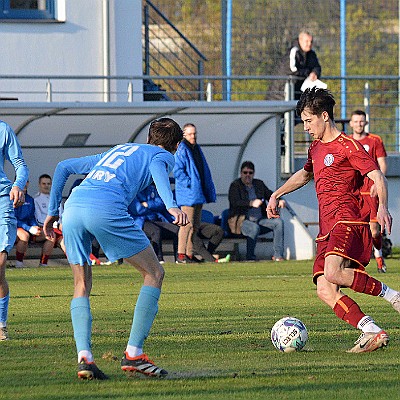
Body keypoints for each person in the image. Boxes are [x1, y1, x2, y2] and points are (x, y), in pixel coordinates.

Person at [43, 117, 188, 380]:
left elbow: (63, 167)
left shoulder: (118, 149)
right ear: (177, 145)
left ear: (148, 137)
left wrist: (53, 212)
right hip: (105, 209)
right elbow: (157, 169)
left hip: (73, 209)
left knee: (81, 285)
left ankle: (84, 358)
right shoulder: (163, 155)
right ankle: (134, 354)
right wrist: (171, 205)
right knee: (154, 273)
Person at [267, 87, 399, 353]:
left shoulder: (348, 146)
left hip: (348, 220)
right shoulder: (316, 148)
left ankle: (393, 296)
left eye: (308, 120)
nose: (305, 128)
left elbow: (377, 176)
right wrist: (277, 193)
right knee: (325, 289)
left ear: (324, 116)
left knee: (332, 272)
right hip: (327, 228)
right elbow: (305, 175)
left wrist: (382, 207)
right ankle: (371, 331)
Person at [174, 123, 228, 264]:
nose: (193, 136)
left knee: (195, 226)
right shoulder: (181, 149)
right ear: (184, 135)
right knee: (186, 225)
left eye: (195, 133)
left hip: (197, 193)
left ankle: (189, 254)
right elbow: (178, 171)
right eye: (190, 134)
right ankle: (181, 255)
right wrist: (190, 184)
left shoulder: (196, 148)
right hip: (188, 194)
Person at [349, 110, 388, 273]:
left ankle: (379, 255)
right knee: (353, 229)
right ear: (351, 123)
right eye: (356, 121)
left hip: (370, 192)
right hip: (353, 192)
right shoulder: (346, 141)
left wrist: (377, 183)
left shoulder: (374, 140)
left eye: (361, 121)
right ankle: (354, 262)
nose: (359, 124)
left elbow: (383, 164)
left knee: (374, 231)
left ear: (365, 122)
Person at [0, 120, 29, 341]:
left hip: (2, 199)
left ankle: (1, 324)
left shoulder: (3, 129)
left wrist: (18, 184)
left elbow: (20, 164)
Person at [228, 161, 285, 261]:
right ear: (241, 173)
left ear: (253, 174)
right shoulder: (235, 186)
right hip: (241, 221)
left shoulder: (258, 184)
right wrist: (251, 203)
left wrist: (279, 200)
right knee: (254, 228)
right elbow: (235, 202)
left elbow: (270, 195)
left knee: (278, 222)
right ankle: (250, 257)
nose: (247, 175)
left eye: (250, 173)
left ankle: (278, 255)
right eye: (245, 173)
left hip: (260, 219)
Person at [128, 183, 180, 263]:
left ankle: (178, 259)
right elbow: (137, 209)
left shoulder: (152, 189)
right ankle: (159, 259)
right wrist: (152, 209)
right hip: (140, 221)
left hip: (155, 219)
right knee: (156, 231)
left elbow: (161, 203)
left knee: (176, 230)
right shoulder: (132, 190)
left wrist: (147, 204)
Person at [34, 174, 66, 266]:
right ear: (39, 184)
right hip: (43, 229)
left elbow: (61, 216)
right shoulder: (36, 199)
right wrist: (53, 225)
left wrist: (59, 225)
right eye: (44, 183)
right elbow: (38, 219)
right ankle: (43, 264)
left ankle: (77, 263)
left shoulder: (56, 199)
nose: (46, 186)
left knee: (66, 241)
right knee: (51, 236)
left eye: (48, 183)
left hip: (57, 229)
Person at [13, 181, 43, 268]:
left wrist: (34, 226)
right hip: (16, 227)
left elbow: (31, 217)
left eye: (26, 182)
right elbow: (14, 219)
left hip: (28, 227)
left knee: (49, 235)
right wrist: (29, 228)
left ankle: (43, 264)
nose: (25, 184)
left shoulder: (30, 199)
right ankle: (19, 263)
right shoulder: (13, 198)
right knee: (24, 236)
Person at [289, 31, 322, 100]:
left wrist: (314, 73)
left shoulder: (311, 53)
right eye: (306, 41)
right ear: (300, 41)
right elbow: (293, 70)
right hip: (284, 92)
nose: (309, 44)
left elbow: (317, 67)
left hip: (300, 92)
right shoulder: (293, 51)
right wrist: (308, 73)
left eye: (311, 41)